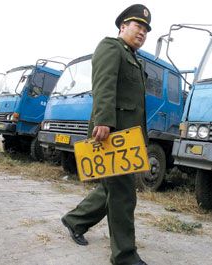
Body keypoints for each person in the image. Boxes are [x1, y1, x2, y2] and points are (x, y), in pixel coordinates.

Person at [61, 4, 151, 265]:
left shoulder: (133, 57)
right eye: (138, 26)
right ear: (123, 27)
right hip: (110, 134)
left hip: (128, 137)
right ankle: (124, 255)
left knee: (111, 188)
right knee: (123, 194)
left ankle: (75, 220)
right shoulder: (111, 47)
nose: (142, 32)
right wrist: (103, 120)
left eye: (146, 29)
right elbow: (104, 85)